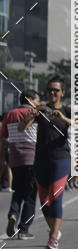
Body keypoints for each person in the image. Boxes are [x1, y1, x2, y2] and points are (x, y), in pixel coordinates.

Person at [19, 76, 71, 249]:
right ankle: (55, 230)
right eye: (49, 89)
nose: (52, 93)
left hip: (61, 158)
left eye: (56, 90)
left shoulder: (67, 110)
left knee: (55, 198)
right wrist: (28, 117)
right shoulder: (40, 110)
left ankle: (53, 238)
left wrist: (63, 118)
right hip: (41, 159)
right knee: (44, 201)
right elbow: (21, 128)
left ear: (62, 92)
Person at [1, 90, 40, 239]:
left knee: (17, 191)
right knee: (30, 195)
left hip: (15, 158)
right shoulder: (35, 113)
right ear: (30, 99)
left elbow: (3, 136)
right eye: (36, 99)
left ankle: (13, 213)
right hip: (32, 157)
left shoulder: (9, 114)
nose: (38, 102)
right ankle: (24, 230)